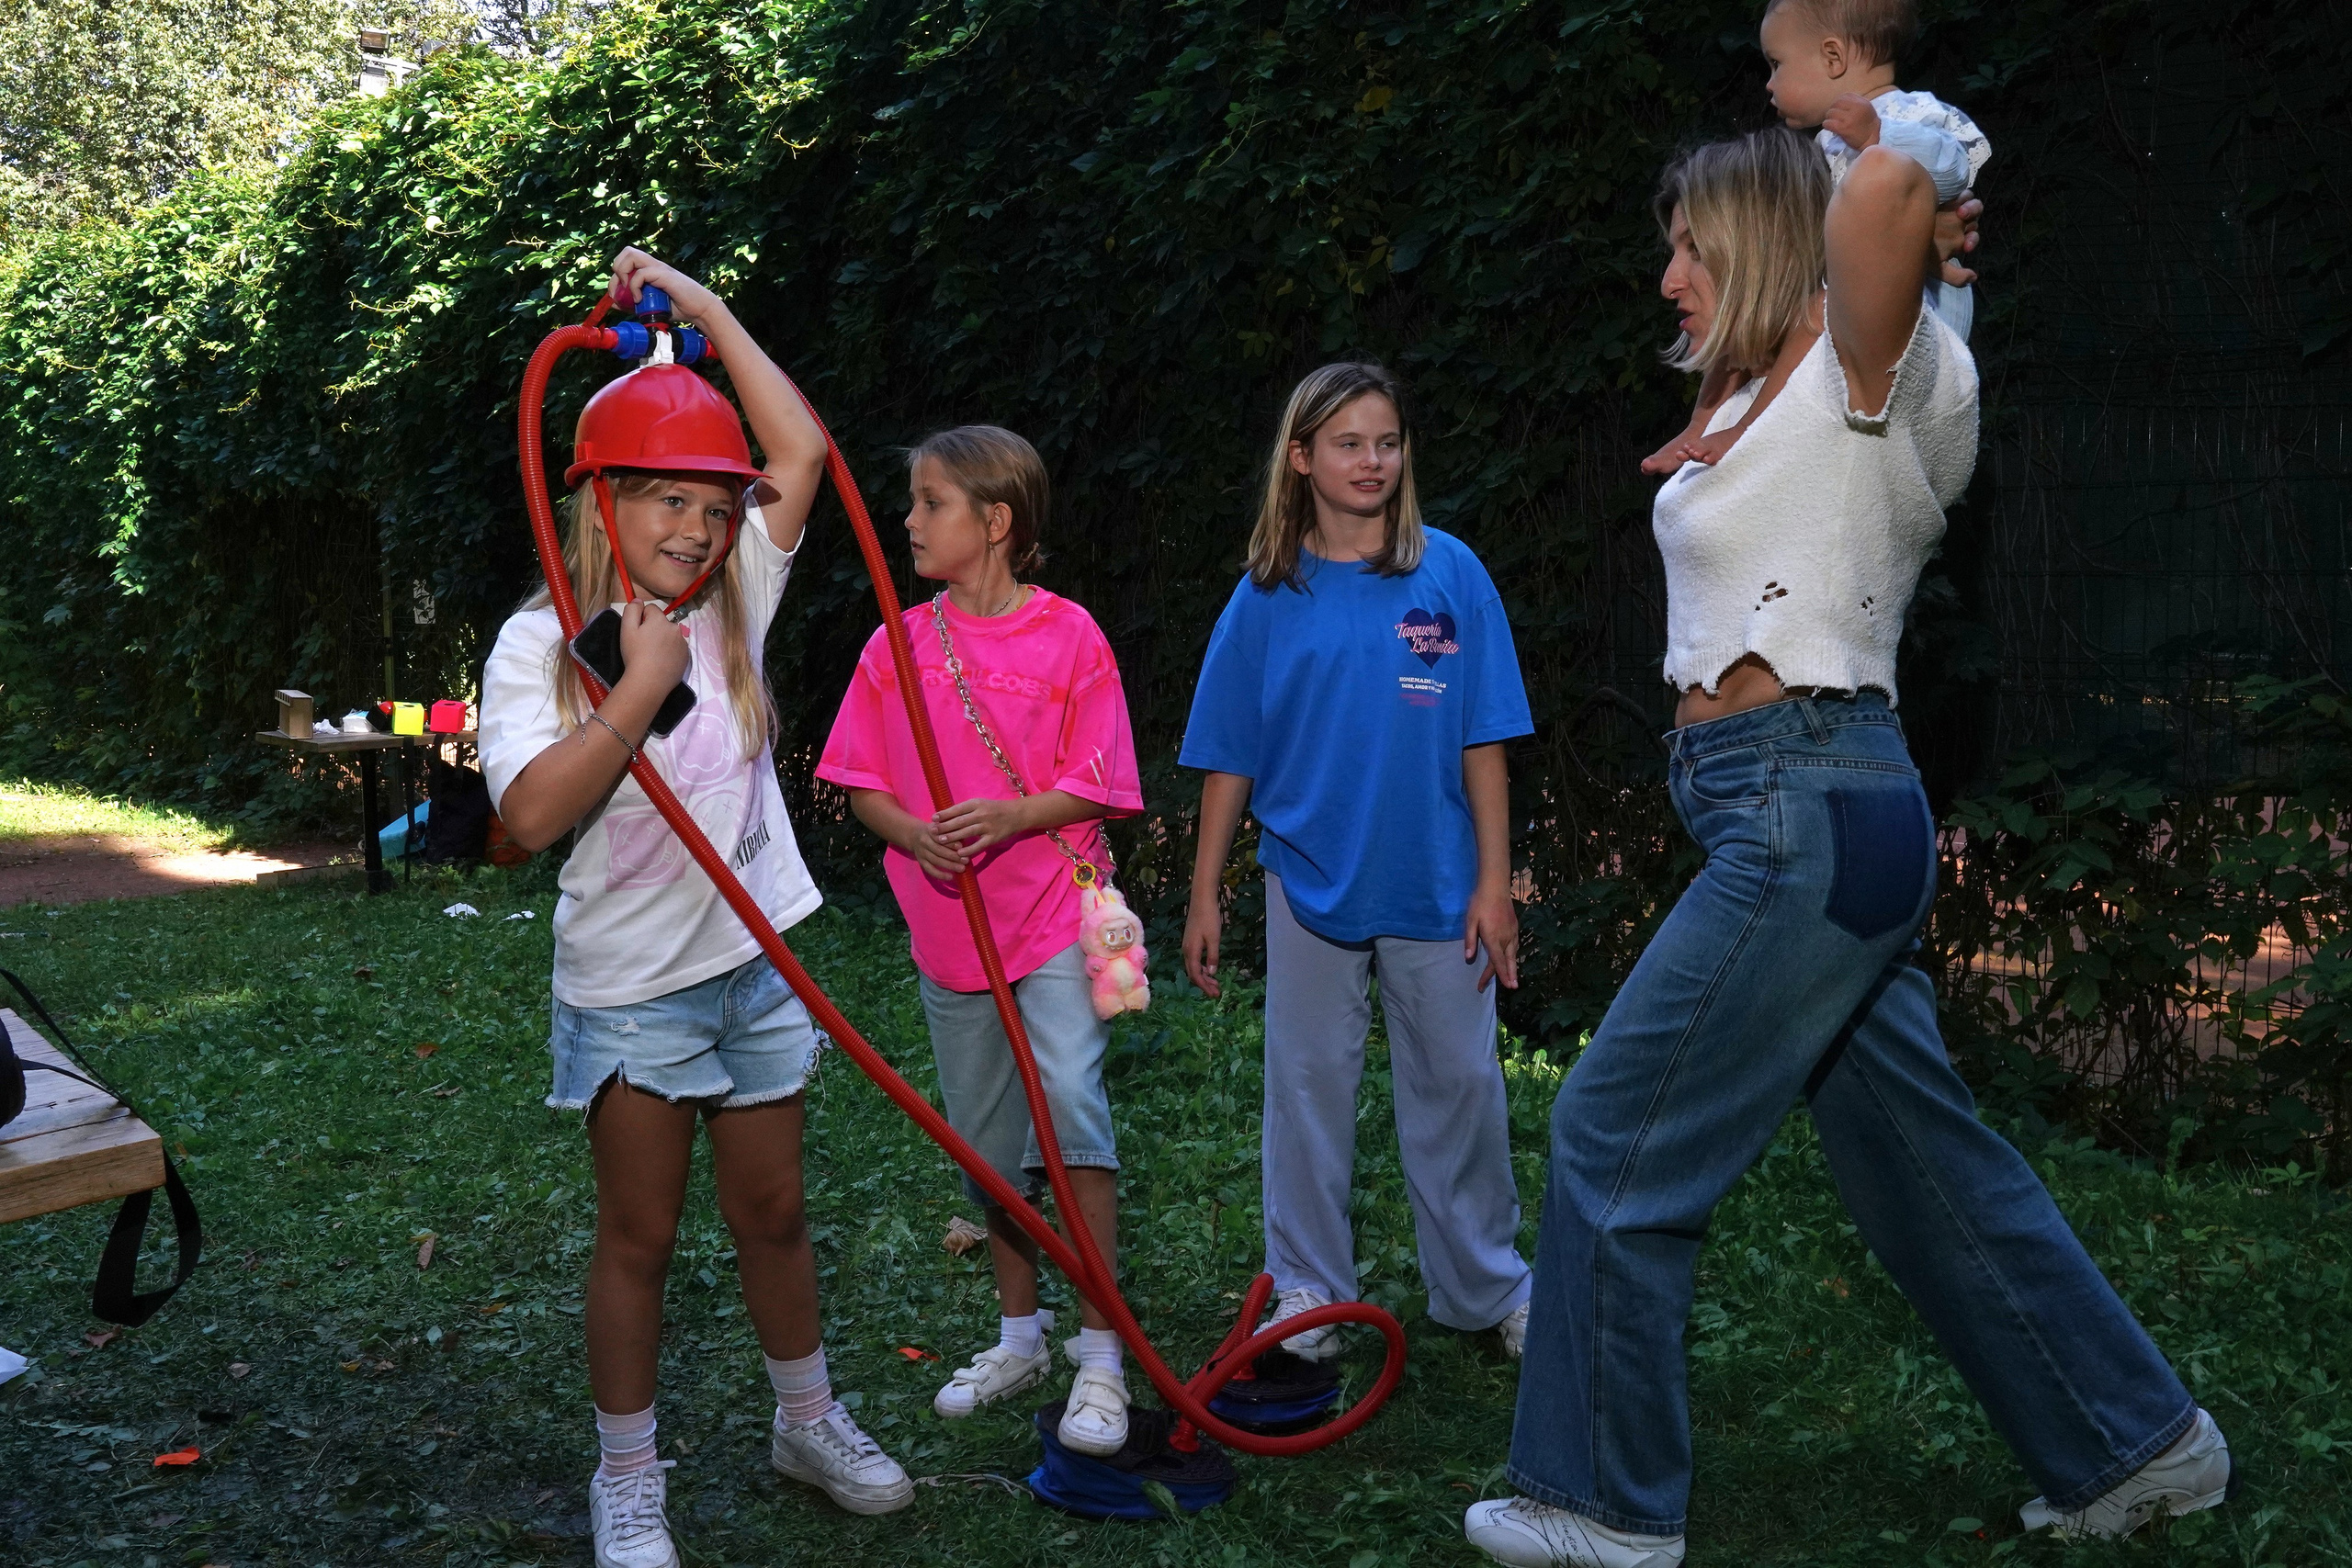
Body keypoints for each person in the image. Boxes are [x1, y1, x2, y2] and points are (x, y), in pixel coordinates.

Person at [1461, 130, 2233, 1568]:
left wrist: (1902, 164)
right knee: (1924, 1166)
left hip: (1807, 811)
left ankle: (1603, 1501)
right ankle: (2141, 1441)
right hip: (1800, 810)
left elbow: (1884, 187)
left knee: (1613, 1134)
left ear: (1768, 239)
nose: (1669, 272)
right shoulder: (1767, 398)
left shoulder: (1879, 371)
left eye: (1694, 242)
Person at [481, 249, 911, 1568]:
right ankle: (628, 1474)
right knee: (642, 1231)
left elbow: (803, 444)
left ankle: (806, 1416)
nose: (696, 528)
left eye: (714, 507)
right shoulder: (535, 646)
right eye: (666, 499)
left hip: (754, 955)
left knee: (774, 1208)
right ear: (597, 503)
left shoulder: (739, 596)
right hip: (632, 987)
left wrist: (701, 314)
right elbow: (526, 821)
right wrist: (628, 688)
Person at [1179, 362, 1534, 1365]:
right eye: (1347, 443)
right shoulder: (1264, 596)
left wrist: (1494, 883)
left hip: (1437, 885)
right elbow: (1227, 757)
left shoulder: (1451, 574)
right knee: (1306, 1089)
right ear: (1301, 459)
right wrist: (1206, 891)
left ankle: (1486, 1288)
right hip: (1306, 883)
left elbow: (1487, 736)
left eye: (1386, 441)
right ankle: (1309, 1291)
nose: (1371, 460)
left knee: (1461, 1088)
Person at [817, 425, 1144, 1456]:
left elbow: (1100, 778)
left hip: (1049, 915)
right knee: (987, 1141)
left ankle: (1102, 1353)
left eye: (930, 502)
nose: (909, 521)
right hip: (948, 935)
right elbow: (860, 780)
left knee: (1073, 1115)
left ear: (994, 522)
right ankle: (1019, 1336)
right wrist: (912, 833)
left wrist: (1012, 818)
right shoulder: (896, 643)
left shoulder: (1070, 636)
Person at [1644, 0, 1987, 476]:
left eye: (1776, 65)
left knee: (1813, 308)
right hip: (1854, 304)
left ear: (1833, 58)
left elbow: (1951, 166)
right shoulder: (1826, 144)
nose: (1769, 82)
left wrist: (1880, 135)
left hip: (1920, 320)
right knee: (1756, 316)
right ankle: (1697, 424)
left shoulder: (1907, 113)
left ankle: (1746, 430)